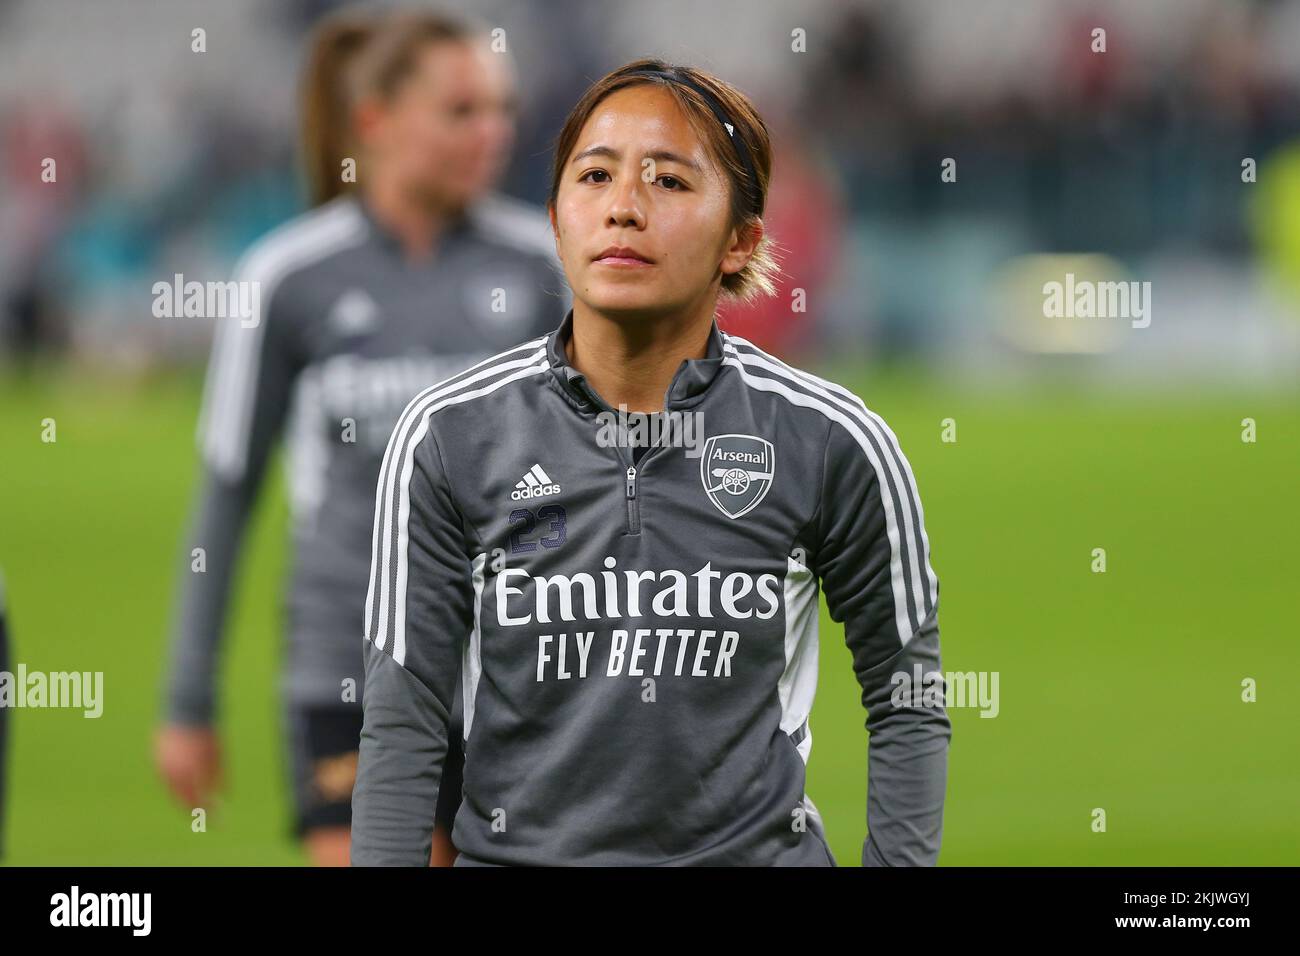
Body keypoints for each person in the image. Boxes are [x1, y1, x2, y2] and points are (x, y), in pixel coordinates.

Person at [352, 58, 949, 866]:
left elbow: (906, 696)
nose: (624, 209)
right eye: (594, 176)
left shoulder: (832, 439)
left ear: (740, 241)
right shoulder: (448, 436)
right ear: (557, 220)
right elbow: (404, 719)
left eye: (669, 182)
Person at [154, 9, 568, 867]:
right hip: (351, 660)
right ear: (374, 121)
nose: (493, 132)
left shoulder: (543, 269)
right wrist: (188, 699)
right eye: (462, 111)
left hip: (519, 667)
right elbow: (226, 496)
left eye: (501, 109)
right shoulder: (287, 276)